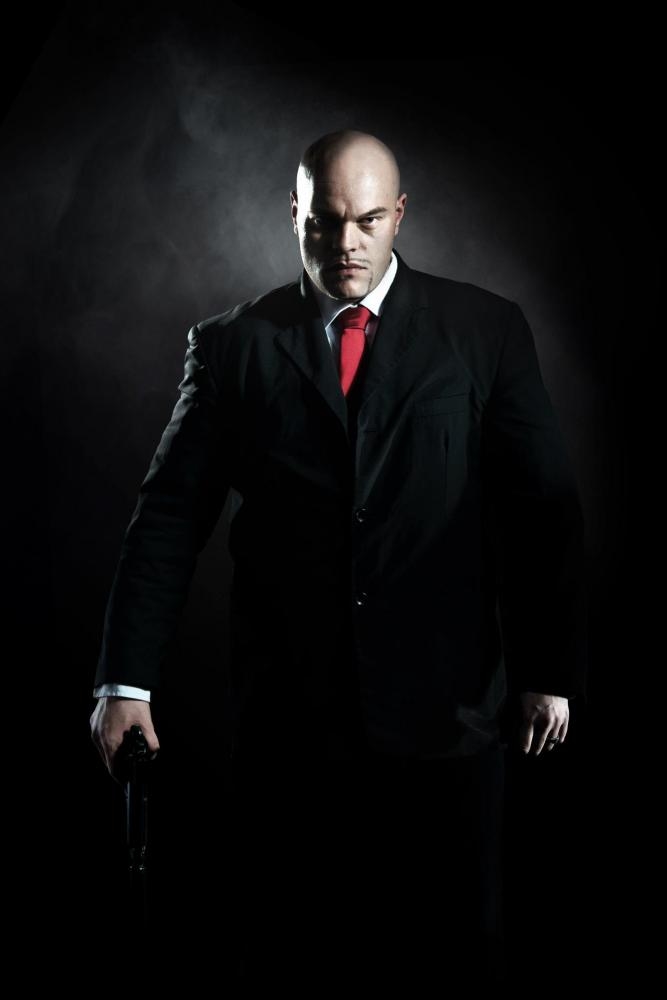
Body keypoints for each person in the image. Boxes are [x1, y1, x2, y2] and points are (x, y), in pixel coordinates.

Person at [90, 129, 587, 986]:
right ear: (293, 215)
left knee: (450, 962)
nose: (345, 243)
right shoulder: (231, 346)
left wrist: (547, 668)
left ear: (400, 215)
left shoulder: (484, 330)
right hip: (291, 727)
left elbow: (540, 508)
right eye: (324, 222)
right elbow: (167, 518)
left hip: (448, 722)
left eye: (367, 221)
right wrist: (123, 683)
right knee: (293, 961)